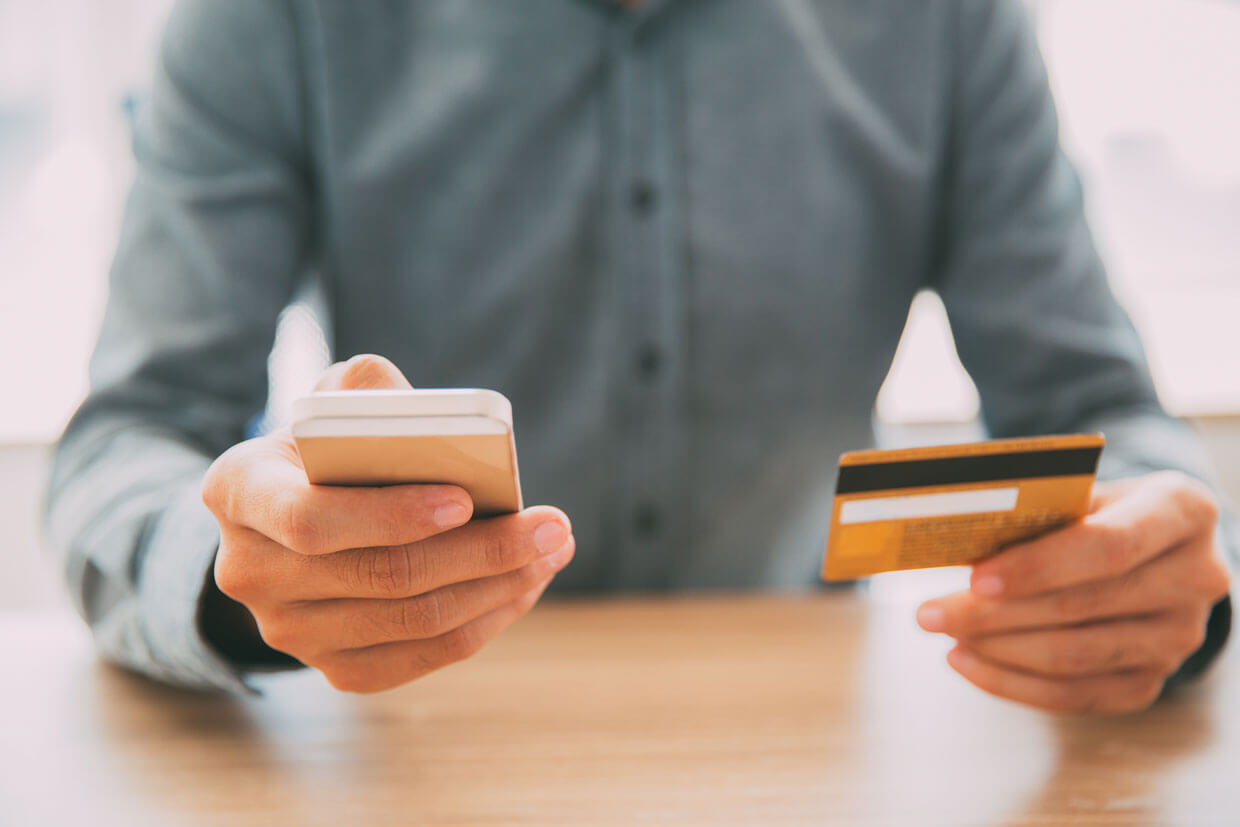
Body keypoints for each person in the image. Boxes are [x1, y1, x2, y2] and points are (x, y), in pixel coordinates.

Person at [47, 0, 1234, 714]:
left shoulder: (945, 20)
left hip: (808, 763)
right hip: (419, 755)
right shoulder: (272, 19)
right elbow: (127, 442)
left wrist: (1159, 567)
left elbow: (1099, 414)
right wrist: (238, 580)